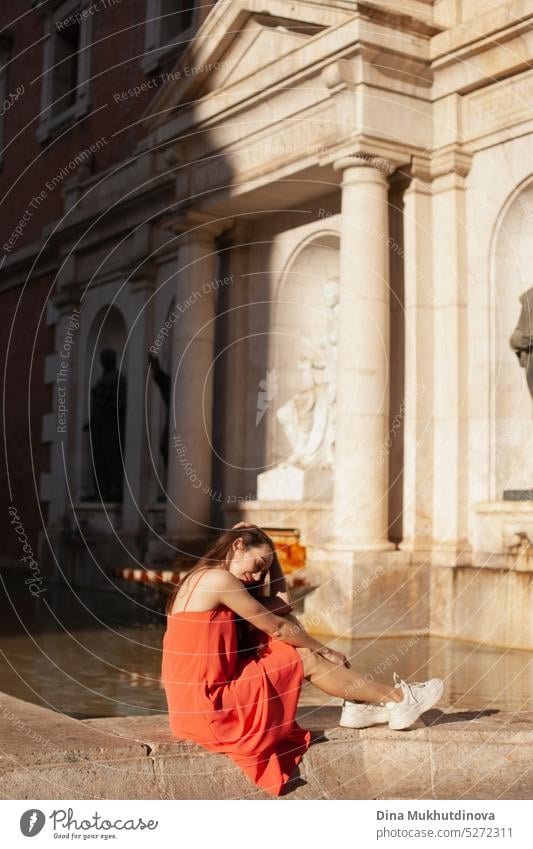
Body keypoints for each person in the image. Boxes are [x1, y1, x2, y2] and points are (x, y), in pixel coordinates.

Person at [160, 522, 444, 796]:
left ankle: (360, 705)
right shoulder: (218, 580)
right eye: (258, 565)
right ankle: (396, 698)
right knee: (305, 657)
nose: (259, 576)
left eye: (265, 570)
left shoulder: (200, 577)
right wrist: (326, 649)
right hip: (212, 708)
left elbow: (284, 606)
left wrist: (273, 559)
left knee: (281, 645)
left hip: (190, 712)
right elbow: (278, 626)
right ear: (238, 545)